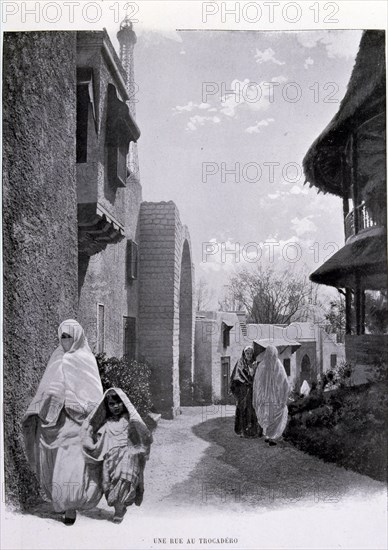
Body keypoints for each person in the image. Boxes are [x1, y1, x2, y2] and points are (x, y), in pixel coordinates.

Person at [23, 319, 104, 525]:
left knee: (71, 463)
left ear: (77, 337)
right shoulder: (57, 356)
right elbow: (48, 385)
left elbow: (93, 391)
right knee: (55, 461)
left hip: (78, 421)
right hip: (55, 419)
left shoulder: (85, 359)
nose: (66, 340)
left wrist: (85, 409)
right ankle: (62, 502)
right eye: (63, 336)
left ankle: (70, 508)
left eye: (69, 336)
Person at [81, 388, 152, 523]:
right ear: (107, 406)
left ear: (124, 403)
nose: (116, 406)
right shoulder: (106, 423)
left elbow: (142, 434)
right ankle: (120, 507)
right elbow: (97, 437)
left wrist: (139, 447)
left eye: (118, 403)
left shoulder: (129, 419)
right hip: (111, 458)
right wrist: (91, 442)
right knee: (107, 485)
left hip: (128, 456)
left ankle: (119, 511)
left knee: (124, 479)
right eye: (112, 404)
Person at [253, 345, 289, 446]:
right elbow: (285, 383)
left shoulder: (263, 366)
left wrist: (257, 396)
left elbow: (257, 384)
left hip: (266, 398)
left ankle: (268, 436)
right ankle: (271, 436)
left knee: (268, 416)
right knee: (272, 416)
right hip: (273, 398)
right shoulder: (277, 365)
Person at [230, 346, 260, 438]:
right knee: (243, 410)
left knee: (252, 410)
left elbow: (257, 376)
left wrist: (254, 372)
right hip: (243, 391)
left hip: (252, 391)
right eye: (247, 353)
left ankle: (253, 431)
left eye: (251, 353)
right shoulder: (240, 363)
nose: (249, 355)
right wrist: (246, 380)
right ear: (244, 354)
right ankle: (243, 431)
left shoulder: (254, 363)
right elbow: (236, 377)